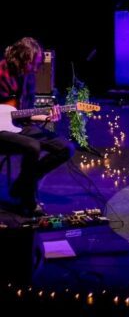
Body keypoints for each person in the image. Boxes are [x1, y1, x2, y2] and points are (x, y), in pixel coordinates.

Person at [0, 37, 75, 217]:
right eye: (34, 63)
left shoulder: (26, 78)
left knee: (66, 148)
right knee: (32, 147)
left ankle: (21, 185)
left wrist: (46, 116)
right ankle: (28, 200)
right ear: (24, 59)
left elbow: (22, 113)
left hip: (16, 125)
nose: (36, 68)